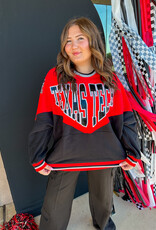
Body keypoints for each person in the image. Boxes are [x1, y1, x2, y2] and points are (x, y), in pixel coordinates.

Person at [28, 17, 141, 230]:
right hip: (65, 154)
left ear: (93, 40)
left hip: (105, 154)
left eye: (80, 38)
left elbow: (125, 118)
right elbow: (43, 119)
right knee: (54, 209)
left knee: (104, 201)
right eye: (68, 40)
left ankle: (104, 224)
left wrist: (132, 151)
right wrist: (38, 156)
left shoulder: (111, 79)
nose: (73, 46)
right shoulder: (55, 77)